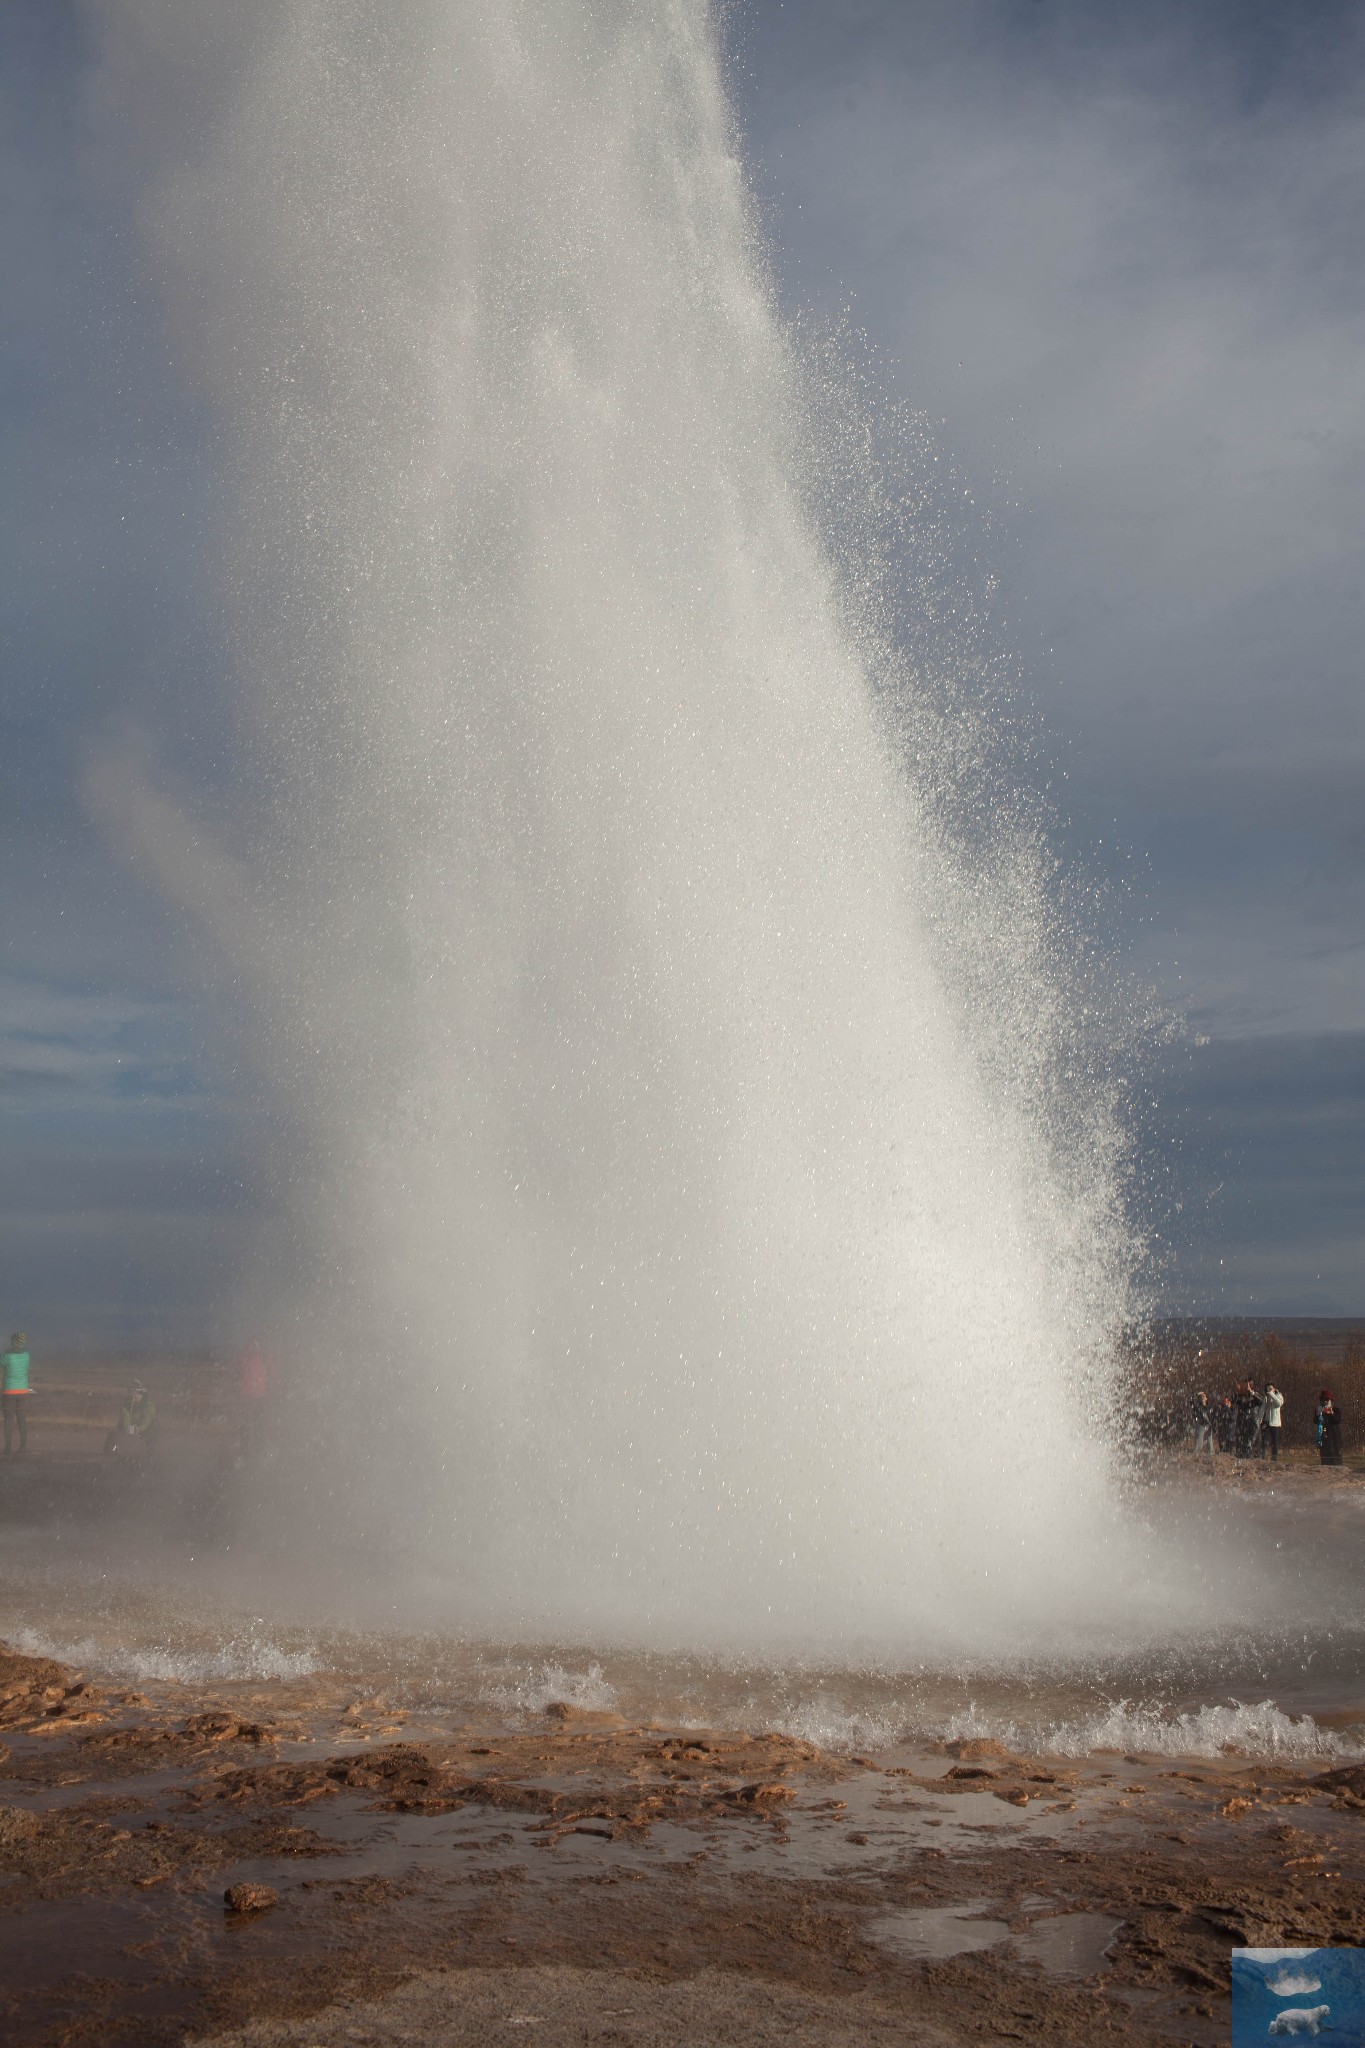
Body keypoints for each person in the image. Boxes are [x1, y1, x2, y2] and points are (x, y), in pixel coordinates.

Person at [236, 1339, 271, 1461]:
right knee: (258, 1423)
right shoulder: (264, 1360)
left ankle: (245, 1450)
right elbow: (273, 1373)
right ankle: (258, 1448)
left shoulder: (245, 1361)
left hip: (247, 1396)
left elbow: (239, 1368)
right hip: (259, 1396)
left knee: (246, 1424)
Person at [104, 1381, 158, 1456]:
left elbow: (146, 1420)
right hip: (128, 1428)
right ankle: (112, 1450)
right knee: (113, 1433)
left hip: (143, 1429)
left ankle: (151, 1450)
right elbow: (125, 1418)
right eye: (131, 1392)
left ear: (142, 1395)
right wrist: (129, 1429)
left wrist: (139, 1428)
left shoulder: (149, 1406)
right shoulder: (125, 1405)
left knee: (154, 1424)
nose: (134, 1394)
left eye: (138, 1393)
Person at [2, 1331, 31, 1455]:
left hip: (9, 1390)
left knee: (8, 1420)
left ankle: (8, 1448)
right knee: (22, 1419)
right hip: (23, 1390)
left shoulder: (6, 1355)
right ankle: (23, 1447)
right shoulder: (26, 1355)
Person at [1315, 1390, 1344, 1467]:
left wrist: (1331, 1414)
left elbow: (1338, 1420)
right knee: (1325, 1455)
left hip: (1335, 1436)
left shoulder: (1336, 1410)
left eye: (1327, 1400)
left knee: (1335, 1455)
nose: (1325, 1401)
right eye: (1323, 1400)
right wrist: (1318, 1415)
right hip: (1324, 1435)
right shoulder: (1319, 1409)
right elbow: (1315, 1421)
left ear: (1331, 1401)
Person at [1260, 1382, 1284, 1461]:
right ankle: (1262, 1456)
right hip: (1266, 1422)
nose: (1269, 1390)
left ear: (1274, 1389)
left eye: (1270, 1388)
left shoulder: (1279, 1396)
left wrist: (1272, 1394)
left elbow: (1278, 1404)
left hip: (1275, 1423)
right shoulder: (1266, 1398)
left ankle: (1274, 1458)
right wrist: (1260, 1420)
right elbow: (1262, 1409)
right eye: (1267, 1388)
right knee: (1263, 1440)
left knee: (1275, 1442)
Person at [1190, 1390, 1214, 1455]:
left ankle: (1211, 1455)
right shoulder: (1198, 1406)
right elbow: (1191, 1401)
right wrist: (1197, 1394)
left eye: (1204, 1396)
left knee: (1210, 1442)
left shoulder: (1209, 1407)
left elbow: (1211, 1416)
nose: (1203, 1397)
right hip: (1201, 1425)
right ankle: (1195, 1453)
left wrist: (1211, 1424)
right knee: (1199, 1443)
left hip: (1208, 1425)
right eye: (1202, 1396)